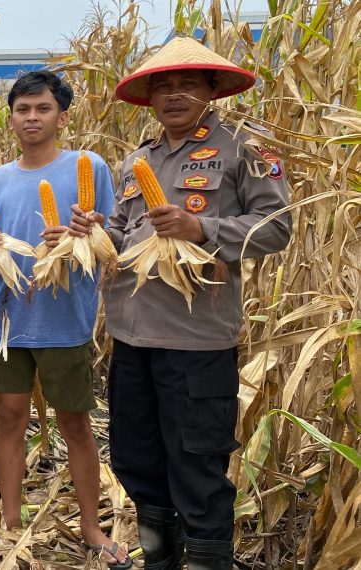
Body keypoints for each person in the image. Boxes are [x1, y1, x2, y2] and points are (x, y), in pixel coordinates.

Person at [68, 37, 291, 570]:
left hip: (196, 340)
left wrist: (201, 227)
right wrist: (96, 231)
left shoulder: (244, 151)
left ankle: (208, 561)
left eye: (187, 83)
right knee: (137, 458)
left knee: (197, 463)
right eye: (162, 86)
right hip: (132, 337)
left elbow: (277, 227)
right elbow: (125, 237)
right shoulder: (136, 160)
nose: (173, 94)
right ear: (148, 97)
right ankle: (160, 559)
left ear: (212, 90)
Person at [0, 70, 129, 567]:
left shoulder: (88, 166)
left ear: (61, 115)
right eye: (22, 109)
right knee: (10, 418)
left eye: (43, 109)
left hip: (64, 321)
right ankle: (9, 520)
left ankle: (90, 526)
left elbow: (111, 242)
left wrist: (83, 236)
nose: (32, 118)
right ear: (10, 116)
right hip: (8, 322)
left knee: (75, 423)